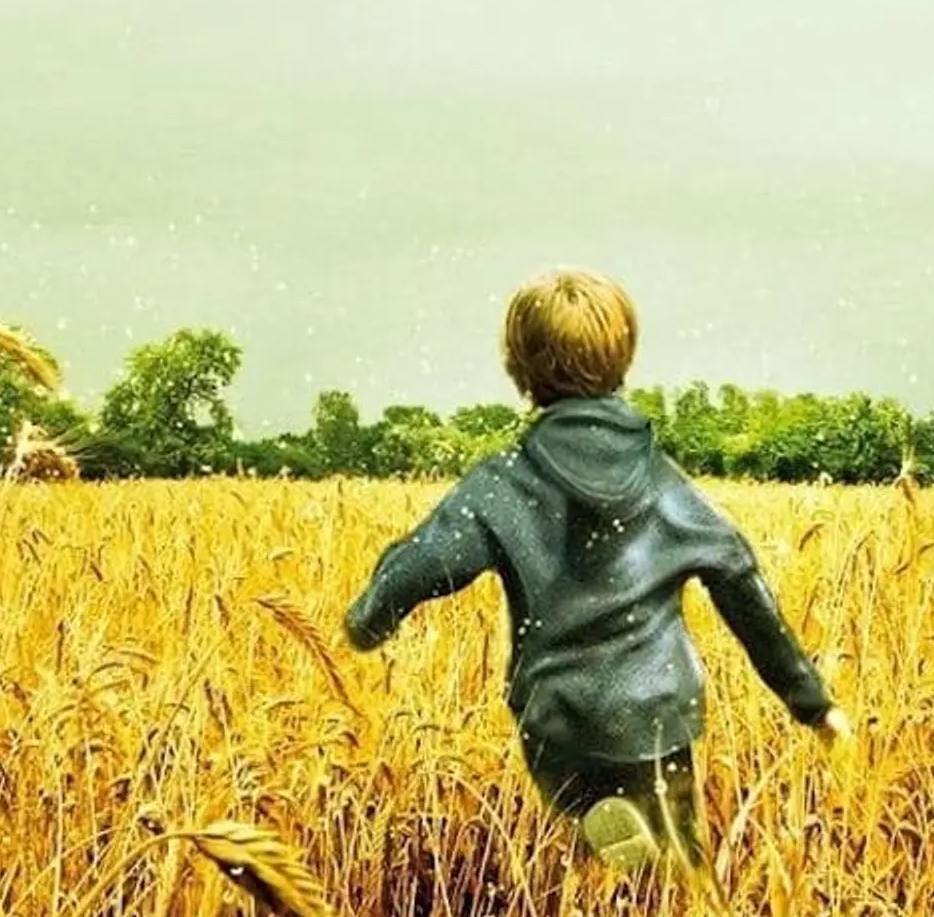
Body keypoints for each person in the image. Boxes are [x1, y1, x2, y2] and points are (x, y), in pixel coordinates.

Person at [343, 267, 851, 873]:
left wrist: (367, 620)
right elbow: (739, 580)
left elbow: (423, 565)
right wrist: (811, 703)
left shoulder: (505, 480)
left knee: (591, 831)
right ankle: (666, 902)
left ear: (518, 368)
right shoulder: (662, 484)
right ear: (624, 359)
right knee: (677, 866)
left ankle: (591, 816)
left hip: (560, 717)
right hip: (659, 709)